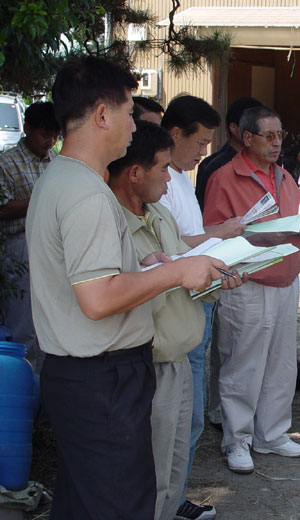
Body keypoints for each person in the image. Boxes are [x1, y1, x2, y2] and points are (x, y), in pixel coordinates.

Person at [28, 56, 231, 520]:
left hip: (81, 374)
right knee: (119, 504)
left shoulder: (61, 178)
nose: (134, 126)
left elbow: (82, 277)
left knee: (86, 503)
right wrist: (176, 272)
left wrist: (141, 266)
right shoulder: (86, 193)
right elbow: (98, 298)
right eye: (126, 112)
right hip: (102, 378)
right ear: (102, 115)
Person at [107, 120, 241, 520]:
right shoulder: (110, 223)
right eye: (164, 168)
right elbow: (118, 296)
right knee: (150, 469)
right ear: (135, 173)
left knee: (176, 461)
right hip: (147, 362)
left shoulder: (160, 215)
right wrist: (165, 273)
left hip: (180, 358)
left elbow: (185, 275)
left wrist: (218, 275)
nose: (170, 178)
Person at [204, 106, 300, 473]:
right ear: (247, 137)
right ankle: (237, 439)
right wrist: (258, 239)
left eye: (279, 135)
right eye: (268, 135)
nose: (276, 142)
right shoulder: (225, 177)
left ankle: (272, 434)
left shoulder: (285, 177)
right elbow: (213, 236)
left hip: (286, 280)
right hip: (247, 283)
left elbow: (292, 227)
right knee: (243, 364)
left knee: (281, 364)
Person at [159, 94, 246, 519]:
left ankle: (174, 497)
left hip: (198, 302)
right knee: (183, 417)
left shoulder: (179, 176)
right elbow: (172, 247)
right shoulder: (161, 180)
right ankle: (167, 502)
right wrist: (221, 235)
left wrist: (221, 237)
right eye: (198, 143)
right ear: (175, 134)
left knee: (188, 416)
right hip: (178, 307)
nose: (202, 153)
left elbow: (188, 236)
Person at [0, 102, 59, 372]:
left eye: (55, 136)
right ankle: (22, 378)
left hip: (52, 244)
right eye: (45, 135)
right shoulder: (7, 162)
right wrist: (40, 198)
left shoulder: (56, 161)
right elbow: (3, 208)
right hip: (20, 245)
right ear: (28, 129)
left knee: (50, 318)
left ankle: (44, 383)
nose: (50, 142)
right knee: (23, 320)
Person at [195, 96, 261, 211]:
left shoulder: (263, 163)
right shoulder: (214, 167)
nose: (260, 132)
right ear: (234, 128)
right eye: (254, 126)